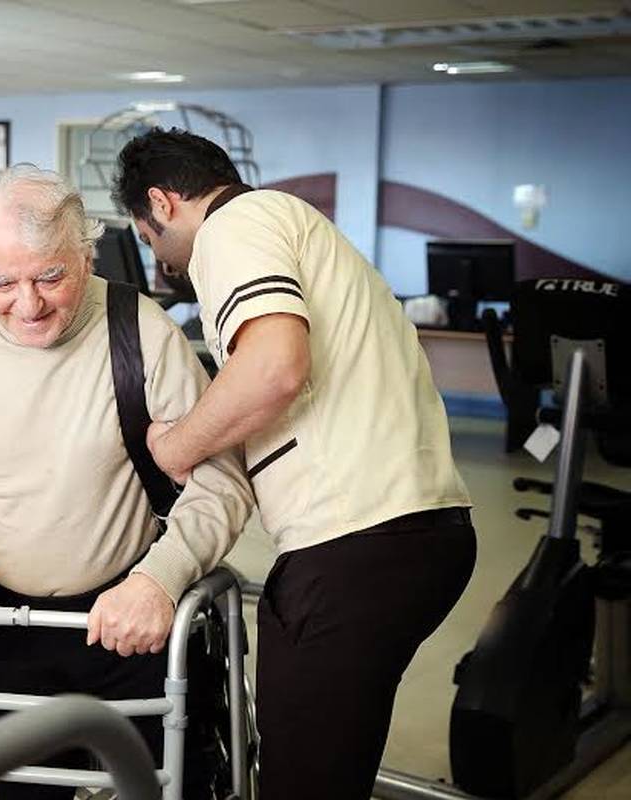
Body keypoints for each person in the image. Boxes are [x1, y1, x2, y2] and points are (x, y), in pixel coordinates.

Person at [0, 165, 255, 799]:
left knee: (171, 786)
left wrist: (163, 576)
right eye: (1, 282)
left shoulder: (141, 332)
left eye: (50, 277)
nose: (28, 304)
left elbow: (221, 479)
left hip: (131, 619)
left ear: (86, 255)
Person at [111, 128, 478, 800]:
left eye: (145, 237)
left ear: (161, 204)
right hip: (413, 530)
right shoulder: (292, 222)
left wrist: (175, 445)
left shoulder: (234, 226)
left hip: (357, 541)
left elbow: (275, 367)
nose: (157, 258)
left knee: (302, 778)